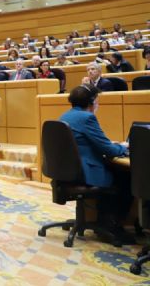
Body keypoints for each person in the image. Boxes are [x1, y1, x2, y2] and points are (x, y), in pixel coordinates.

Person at [59, 84, 134, 244]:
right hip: (86, 172)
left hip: (70, 170)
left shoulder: (65, 116)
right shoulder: (87, 117)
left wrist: (112, 144)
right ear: (92, 101)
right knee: (127, 177)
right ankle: (112, 226)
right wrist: (123, 146)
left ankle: (105, 221)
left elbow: (90, 141)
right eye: (97, 101)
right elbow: (109, 150)